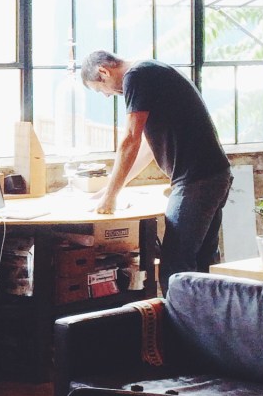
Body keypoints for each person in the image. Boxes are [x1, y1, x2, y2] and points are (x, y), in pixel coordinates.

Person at [79, 50, 231, 291]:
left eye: (101, 89)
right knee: (203, 265)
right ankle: (206, 315)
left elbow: (130, 139)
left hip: (197, 180)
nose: (106, 96)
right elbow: (146, 149)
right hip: (214, 175)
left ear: (104, 72)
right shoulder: (149, 71)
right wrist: (111, 189)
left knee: (175, 269)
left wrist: (110, 198)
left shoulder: (136, 77)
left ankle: (176, 317)